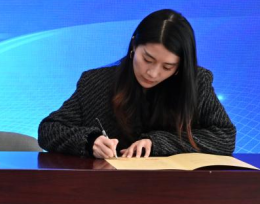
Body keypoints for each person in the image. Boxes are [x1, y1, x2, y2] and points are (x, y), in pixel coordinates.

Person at [38, 9, 236, 159]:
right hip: (108, 189)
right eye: (147, 59)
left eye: (167, 66)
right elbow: (49, 130)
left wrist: (158, 142)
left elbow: (224, 137)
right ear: (134, 45)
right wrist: (90, 141)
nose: (153, 73)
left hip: (177, 189)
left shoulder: (196, 83)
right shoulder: (96, 82)